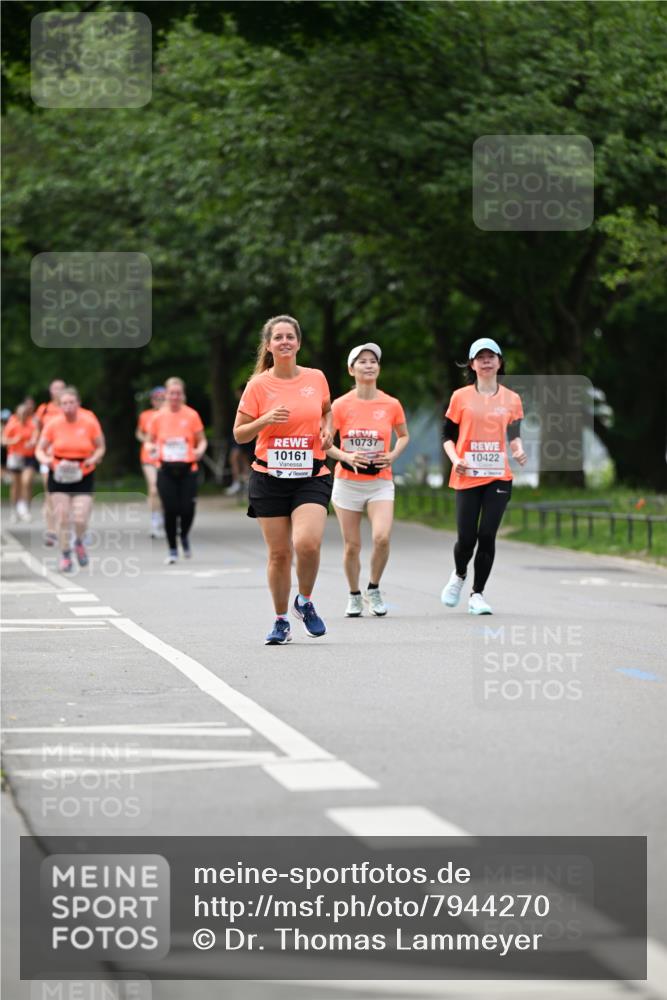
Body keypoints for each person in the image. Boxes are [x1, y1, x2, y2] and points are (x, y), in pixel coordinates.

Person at [233, 315, 333, 645]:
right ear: (269, 345)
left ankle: (304, 602)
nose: (285, 342)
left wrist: (328, 427)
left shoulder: (316, 378)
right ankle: (280, 621)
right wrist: (265, 419)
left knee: (307, 543)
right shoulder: (258, 385)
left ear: (299, 343)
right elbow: (239, 434)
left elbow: (326, 410)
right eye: (279, 337)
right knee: (279, 555)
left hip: (311, 475)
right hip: (268, 476)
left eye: (291, 336)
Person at [440, 338, 527, 615]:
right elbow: (447, 436)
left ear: (500, 362)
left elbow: (514, 434)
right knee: (467, 539)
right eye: (481, 357)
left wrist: (519, 450)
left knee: (487, 535)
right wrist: (456, 460)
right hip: (467, 475)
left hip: (498, 476)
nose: (486, 361)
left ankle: (477, 594)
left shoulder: (512, 399)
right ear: (472, 364)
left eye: (492, 356)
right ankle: (459, 574)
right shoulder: (460, 397)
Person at [326, 343, 409, 617]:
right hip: (348, 482)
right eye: (362, 361)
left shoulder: (391, 404)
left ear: (379, 368)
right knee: (352, 545)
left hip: (380, 482)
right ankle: (354, 594)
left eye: (373, 361)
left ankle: (373, 587)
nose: (369, 365)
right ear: (352, 369)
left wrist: (394, 454)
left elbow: (404, 435)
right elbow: (324, 443)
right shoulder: (339, 405)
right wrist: (346, 457)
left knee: (382, 537)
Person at [35, 386, 105, 573]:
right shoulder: (53, 424)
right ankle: (65, 555)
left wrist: (94, 457)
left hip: (83, 472)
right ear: (59, 405)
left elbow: (100, 447)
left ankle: (79, 542)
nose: (68, 407)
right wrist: (46, 460)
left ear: (78, 404)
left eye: (71, 403)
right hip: (59, 473)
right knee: (63, 516)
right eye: (64, 403)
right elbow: (39, 449)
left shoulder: (89, 421)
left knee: (81, 517)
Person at [149, 377, 207, 564]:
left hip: (188, 467)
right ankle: (172, 548)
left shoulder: (191, 415)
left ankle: (184, 536)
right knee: (171, 509)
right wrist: (151, 448)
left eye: (178, 393)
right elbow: (149, 440)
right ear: (166, 395)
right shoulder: (158, 416)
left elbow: (202, 440)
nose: (174, 396)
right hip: (165, 468)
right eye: (171, 393)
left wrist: (200, 450)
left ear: (183, 395)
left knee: (188, 508)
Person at [35, 378, 65, 546]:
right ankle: (51, 530)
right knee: (50, 493)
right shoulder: (44, 409)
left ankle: (66, 527)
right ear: (50, 391)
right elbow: (37, 430)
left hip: (66, 457)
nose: (58, 391)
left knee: (66, 494)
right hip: (48, 456)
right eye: (55, 388)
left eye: (61, 388)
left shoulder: (69, 408)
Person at [136, 386, 166, 537]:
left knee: (166, 489)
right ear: (152, 401)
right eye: (156, 398)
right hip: (149, 455)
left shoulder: (170, 415)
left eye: (162, 398)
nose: (159, 401)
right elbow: (140, 433)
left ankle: (168, 517)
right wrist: (147, 440)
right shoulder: (145, 415)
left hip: (167, 455)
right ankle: (155, 520)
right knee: (154, 488)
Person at [2, 400, 39, 522]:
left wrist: (32, 442)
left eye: (25, 413)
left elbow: (36, 436)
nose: (23, 415)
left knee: (26, 481)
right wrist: (14, 441)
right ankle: (15, 510)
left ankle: (25, 508)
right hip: (15, 456)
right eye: (20, 413)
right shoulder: (12, 424)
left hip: (29, 456)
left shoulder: (31, 424)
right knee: (16, 484)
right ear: (17, 414)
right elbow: (3, 440)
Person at [225, 390, 253, 496]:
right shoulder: (239, 404)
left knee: (243, 458)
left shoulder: (249, 401)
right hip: (238, 435)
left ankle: (244, 481)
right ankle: (237, 481)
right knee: (236, 458)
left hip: (246, 435)